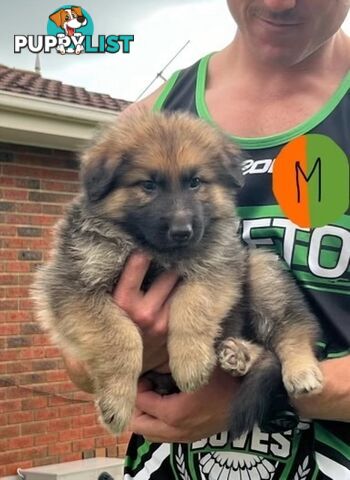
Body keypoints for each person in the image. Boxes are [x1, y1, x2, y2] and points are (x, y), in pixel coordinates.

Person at [64, 1, 350, 478]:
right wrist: (138, 342)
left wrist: (262, 394)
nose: (279, 3)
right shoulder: (150, 116)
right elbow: (77, 358)